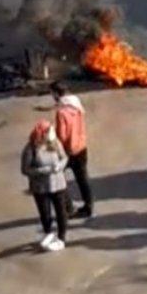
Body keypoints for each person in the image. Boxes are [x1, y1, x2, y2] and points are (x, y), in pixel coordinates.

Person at [21, 121, 70, 251]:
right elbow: (25, 169)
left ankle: (61, 238)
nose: (52, 134)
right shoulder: (31, 148)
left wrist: (60, 165)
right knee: (45, 213)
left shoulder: (55, 143)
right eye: (49, 132)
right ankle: (48, 232)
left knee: (61, 212)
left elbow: (64, 157)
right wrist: (44, 170)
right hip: (40, 187)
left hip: (58, 183)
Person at [51, 82, 92, 218]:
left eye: (52, 93)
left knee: (58, 177)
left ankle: (69, 207)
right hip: (81, 146)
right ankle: (88, 206)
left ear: (56, 94)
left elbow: (62, 135)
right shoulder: (76, 104)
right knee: (83, 179)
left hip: (69, 151)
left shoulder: (61, 113)